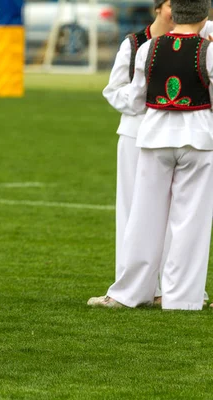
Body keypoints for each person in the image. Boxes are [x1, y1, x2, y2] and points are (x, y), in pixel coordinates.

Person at [91, 0, 213, 310]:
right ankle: (182, 298)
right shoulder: (208, 49)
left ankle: (130, 292)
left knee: (143, 217)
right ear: (205, 15)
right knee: (190, 222)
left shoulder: (149, 48)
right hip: (198, 140)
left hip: (154, 137)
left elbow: (134, 100)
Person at [89, 0, 173, 307]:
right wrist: (145, 97)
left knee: (175, 213)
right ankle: (127, 288)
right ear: (157, 7)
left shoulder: (196, 41)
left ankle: (167, 288)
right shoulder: (135, 43)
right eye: (171, 4)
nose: (177, 10)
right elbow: (114, 90)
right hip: (136, 134)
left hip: (175, 135)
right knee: (132, 210)